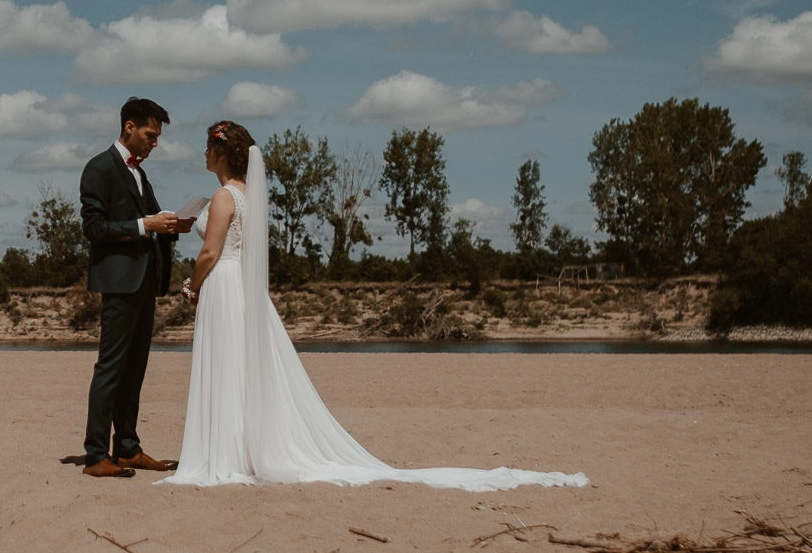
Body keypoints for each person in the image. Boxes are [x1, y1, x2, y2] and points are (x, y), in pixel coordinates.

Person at [164, 121, 586, 491]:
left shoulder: (223, 198)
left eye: (208, 147)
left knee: (228, 365)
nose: (203, 153)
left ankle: (226, 453)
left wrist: (191, 287)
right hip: (244, 288)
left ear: (222, 153)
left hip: (223, 284)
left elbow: (209, 254)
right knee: (243, 367)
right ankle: (239, 449)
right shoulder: (247, 197)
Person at [67, 98, 189, 479]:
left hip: (144, 282)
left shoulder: (140, 174)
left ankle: (128, 448)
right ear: (129, 127)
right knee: (110, 368)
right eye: (151, 135)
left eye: (158, 138)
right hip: (119, 284)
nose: (155, 144)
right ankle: (95, 455)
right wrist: (143, 226)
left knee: (135, 369)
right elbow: (93, 229)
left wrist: (173, 225)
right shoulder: (99, 167)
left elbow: (149, 221)